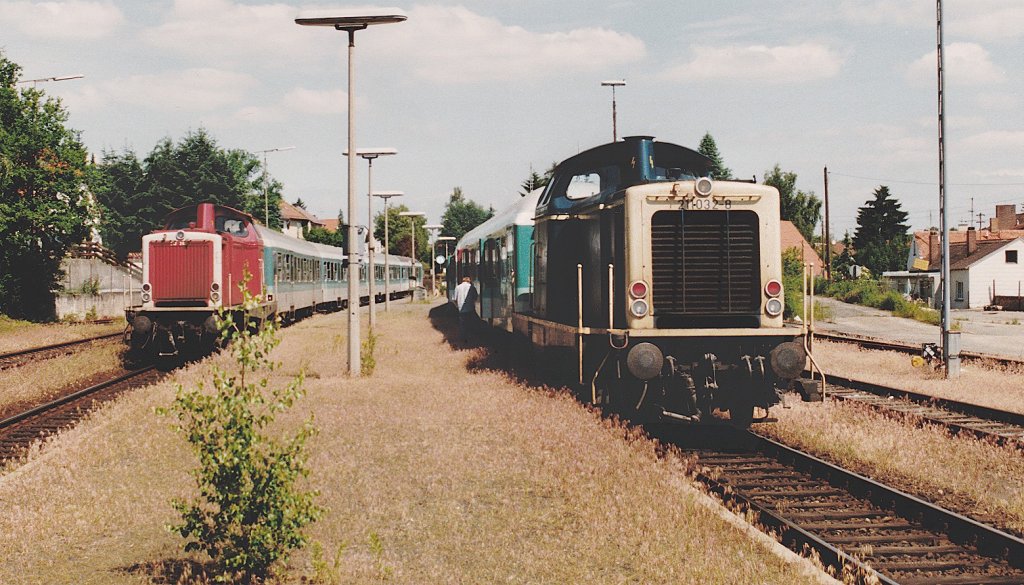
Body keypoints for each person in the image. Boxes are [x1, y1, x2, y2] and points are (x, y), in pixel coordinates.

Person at [453, 276, 478, 344]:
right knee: (470, 323)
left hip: (461, 309)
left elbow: (454, 299)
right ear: (469, 281)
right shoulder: (472, 287)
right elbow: (475, 297)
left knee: (462, 324)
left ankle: (463, 338)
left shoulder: (458, 287)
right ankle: (470, 337)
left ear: (462, 281)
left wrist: (457, 305)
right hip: (470, 308)